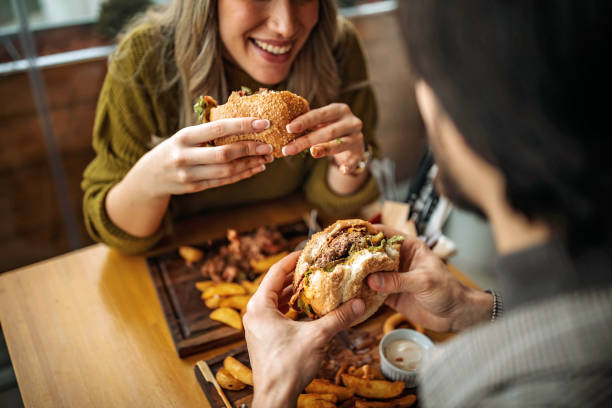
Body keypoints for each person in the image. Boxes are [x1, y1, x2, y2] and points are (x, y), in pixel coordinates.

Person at [243, 1, 612, 406]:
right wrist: (475, 309)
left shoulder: (477, 391)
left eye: (427, 79)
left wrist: (273, 391)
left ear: (476, 113)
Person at [82, 0, 380, 253]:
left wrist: (350, 161)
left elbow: (332, 208)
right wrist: (149, 183)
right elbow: (119, 235)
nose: (286, 26)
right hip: (175, 261)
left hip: (290, 251)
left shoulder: (336, 46)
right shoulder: (143, 59)